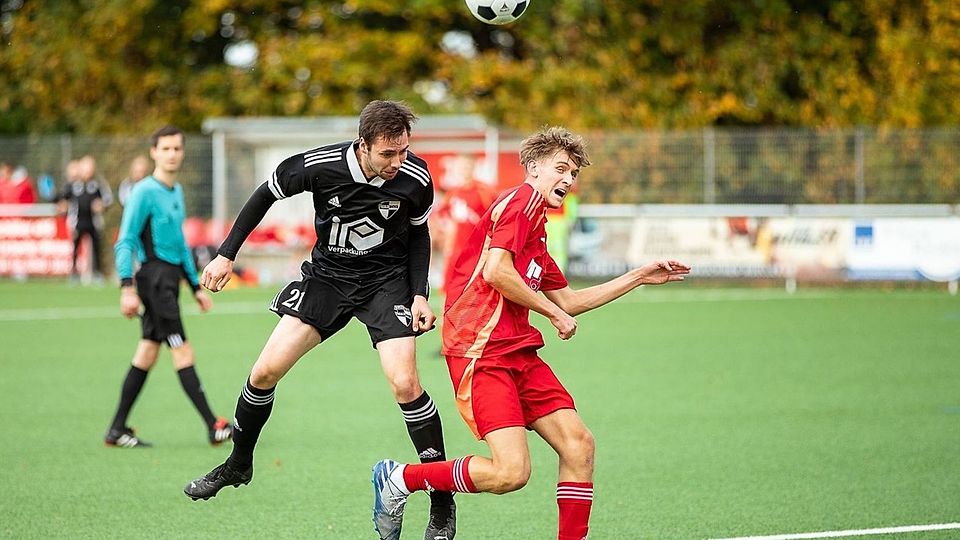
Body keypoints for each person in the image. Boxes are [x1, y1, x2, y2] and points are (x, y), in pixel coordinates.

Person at [370, 127, 691, 540]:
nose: (568, 179)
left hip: (518, 352)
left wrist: (638, 277)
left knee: (578, 445)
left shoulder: (536, 227)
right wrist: (550, 314)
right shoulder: (520, 202)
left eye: (573, 173)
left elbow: (569, 301)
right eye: (561, 168)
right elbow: (496, 271)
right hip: (480, 351)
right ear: (534, 168)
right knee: (510, 472)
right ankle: (399, 479)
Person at [182, 100, 457, 540]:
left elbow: (420, 233)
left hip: (387, 284)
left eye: (404, 150)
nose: (398, 162)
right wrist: (226, 254)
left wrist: (420, 294)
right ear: (362, 144)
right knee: (264, 372)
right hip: (328, 279)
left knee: (405, 383)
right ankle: (237, 464)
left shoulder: (415, 177)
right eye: (389, 153)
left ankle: (442, 502)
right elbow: (264, 195)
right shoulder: (317, 166)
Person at [106, 125, 232, 448]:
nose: (172, 154)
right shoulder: (143, 192)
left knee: (147, 352)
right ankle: (213, 425)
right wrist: (126, 287)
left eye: (177, 148)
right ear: (154, 152)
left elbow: (178, 244)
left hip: (170, 280)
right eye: (166, 149)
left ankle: (117, 429)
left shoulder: (175, 191)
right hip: (154, 282)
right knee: (182, 349)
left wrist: (195, 287)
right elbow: (126, 241)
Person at [56, 155, 113, 282]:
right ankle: (74, 273)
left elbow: (108, 198)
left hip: (94, 222)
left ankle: (98, 273)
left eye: (91, 168)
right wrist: (62, 206)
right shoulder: (72, 185)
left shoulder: (98, 184)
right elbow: (62, 199)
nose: (88, 171)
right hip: (77, 222)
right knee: (75, 247)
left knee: (96, 248)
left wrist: (102, 205)